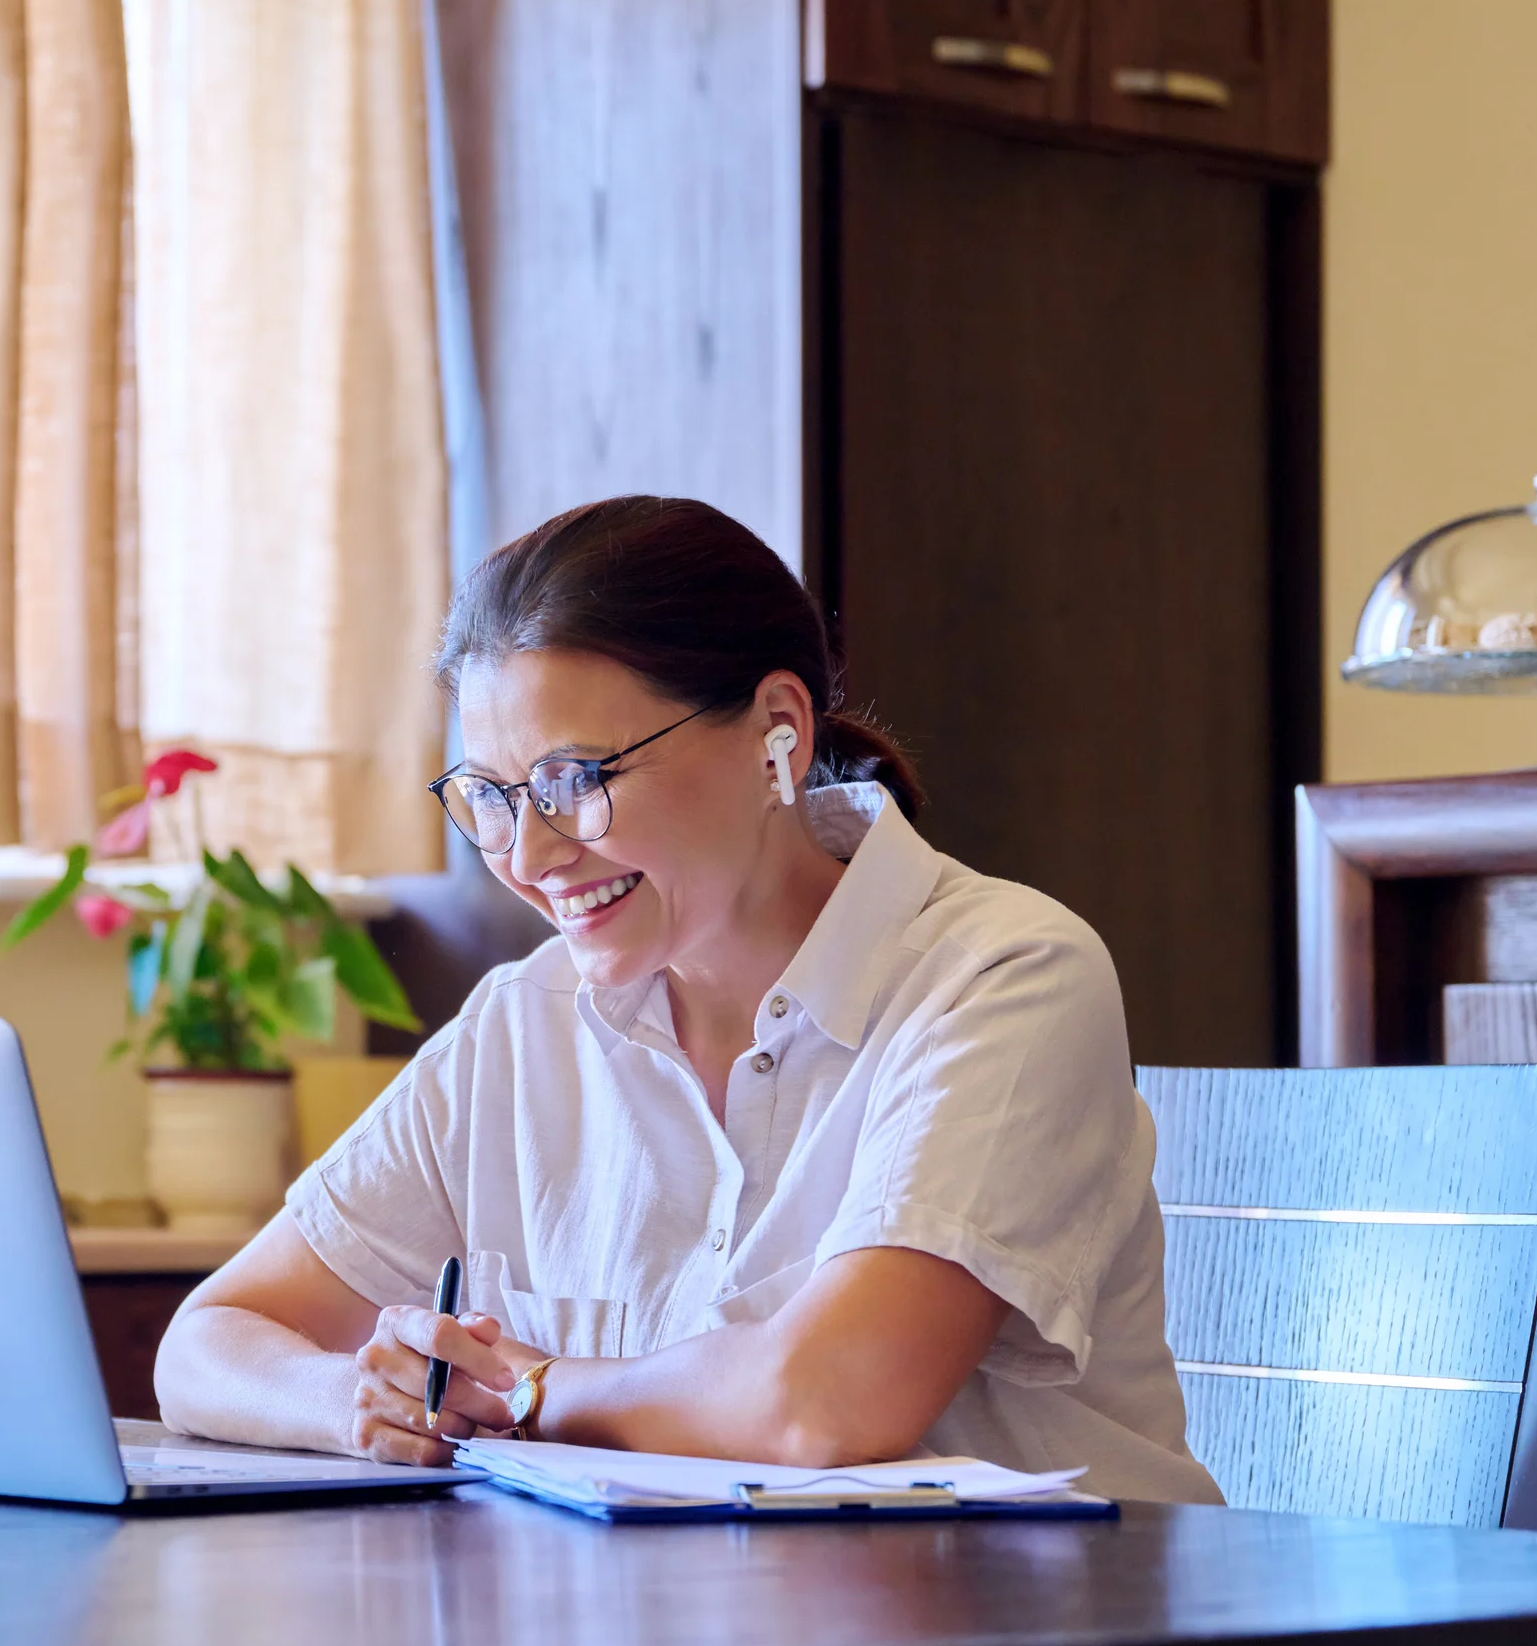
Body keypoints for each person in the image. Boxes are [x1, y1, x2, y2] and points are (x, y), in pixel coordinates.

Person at [152, 495, 1220, 1502]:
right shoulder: (521, 1026)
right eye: (491, 795)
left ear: (778, 734)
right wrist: (361, 1399)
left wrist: (528, 1388)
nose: (530, 852)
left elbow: (828, 1400)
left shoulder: (1005, 978)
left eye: (576, 779)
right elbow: (209, 1340)